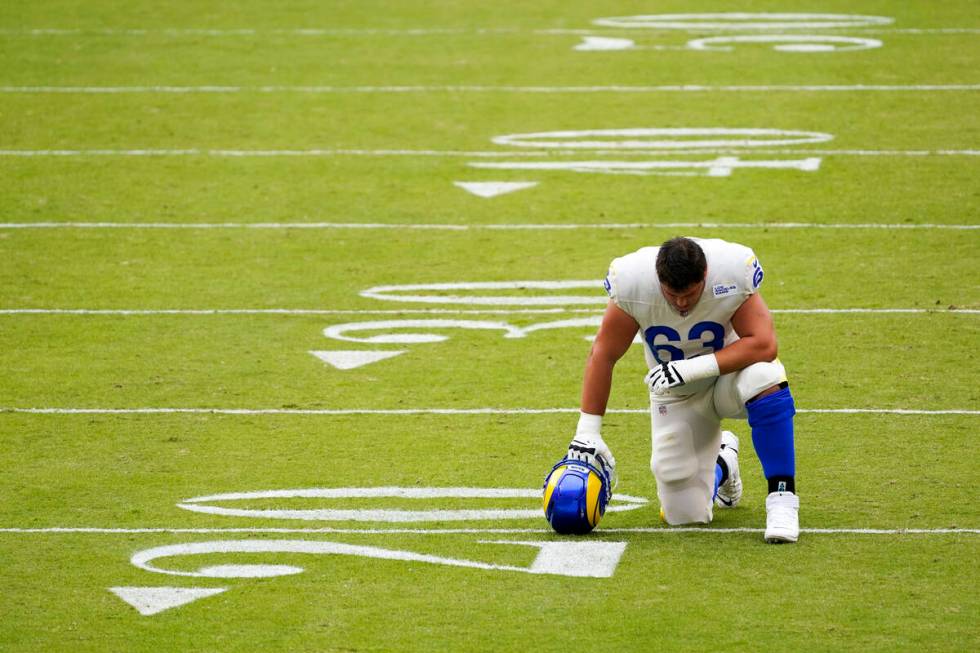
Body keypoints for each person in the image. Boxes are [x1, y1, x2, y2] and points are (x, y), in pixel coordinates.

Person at [566, 236, 799, 543]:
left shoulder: (730, 271)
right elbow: (604, 354)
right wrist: (588, 431)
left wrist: (689, 368)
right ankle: (723, 462)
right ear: (659, 280)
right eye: (672, 294)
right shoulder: (633, 280)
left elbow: (764, 344)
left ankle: (782, 497)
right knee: (684, 515)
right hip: (676, 394)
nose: (681, 303)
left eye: (690, 294)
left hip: (732, 378)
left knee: (766, 376)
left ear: (705, 276)